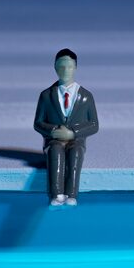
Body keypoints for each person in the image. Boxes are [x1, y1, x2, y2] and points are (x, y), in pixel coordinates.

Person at [34, 48, 99, 208]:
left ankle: (71, 194)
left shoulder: (86, 96)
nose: (65, 70)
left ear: (75, 68)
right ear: (55, 67)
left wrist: (73, 133)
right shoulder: (46, 95)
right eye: (61, 66)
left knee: (75, 153)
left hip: (76, 140)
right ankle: (56, 194)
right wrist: (53, 131)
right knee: (55, 151)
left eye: (69, 67)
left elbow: (94, 124)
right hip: (53, 140)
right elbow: (38, 123)